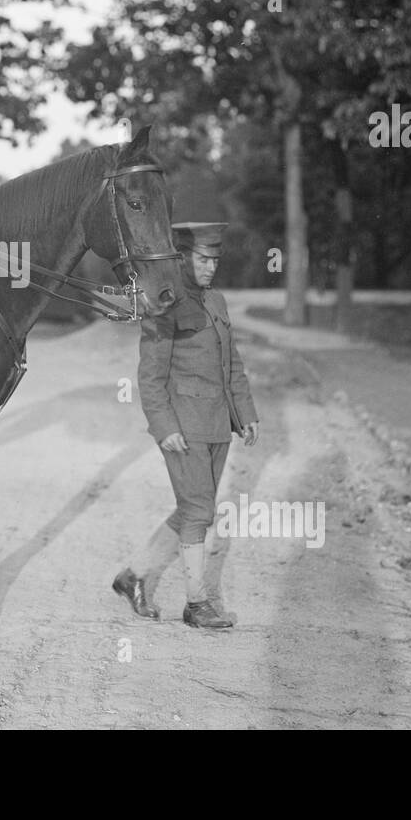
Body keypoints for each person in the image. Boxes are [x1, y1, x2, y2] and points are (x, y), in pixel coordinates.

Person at [113, 222, 260, 628]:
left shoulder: (217, 302)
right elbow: (151, 375)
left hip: (217, 426)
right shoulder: (164, 303)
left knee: (196, 508)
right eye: (202, 259)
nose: (210, 267)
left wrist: (245, 415)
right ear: (181, 259)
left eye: (215, 260)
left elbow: (233, 365)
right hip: (182, 427)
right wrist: (164, 427)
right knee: (199, 511)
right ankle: (197, 604)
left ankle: (134, 576)